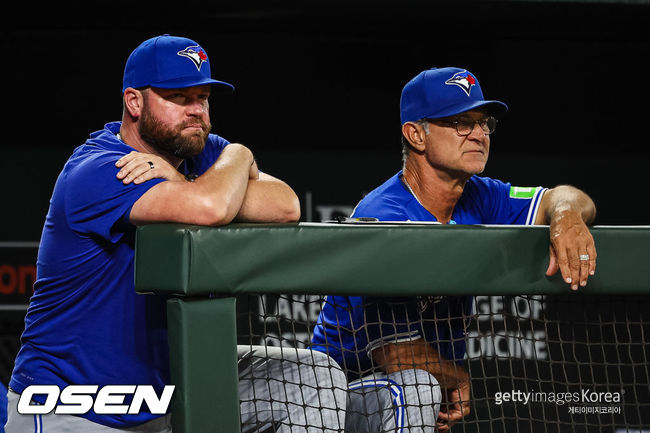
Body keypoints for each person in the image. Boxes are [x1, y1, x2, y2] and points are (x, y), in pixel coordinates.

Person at [5, 35, 346, 433]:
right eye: (179, 97)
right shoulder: (99, 168)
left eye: (202, 98)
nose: (196, 111)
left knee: (312, 377)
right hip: (75, 405)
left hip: (173, 396)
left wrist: (226, 159)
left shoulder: (204, 154)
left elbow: (287, 205)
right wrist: (229, 165)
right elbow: (209, 208)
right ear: (134, 102)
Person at [311, 67, 597, 432]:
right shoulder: (384, 214)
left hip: (404, 392)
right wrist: (456, 377)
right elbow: (396, 354)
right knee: (417, 388)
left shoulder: (480, 194)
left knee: (420, 390)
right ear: (416, 134)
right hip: (334, 395)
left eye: (484, 122)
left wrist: (567, 216)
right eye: (462, 122)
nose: (479, 134)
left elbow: (563, 196)